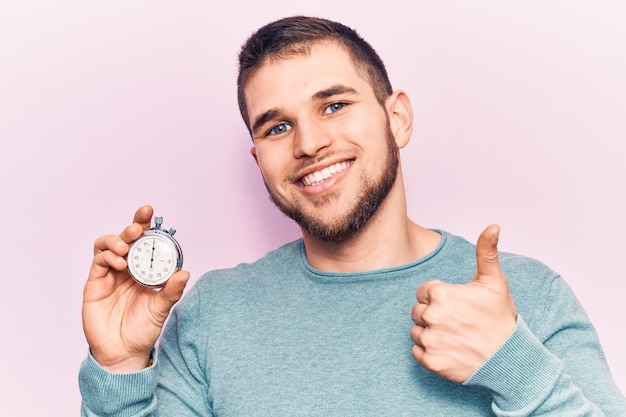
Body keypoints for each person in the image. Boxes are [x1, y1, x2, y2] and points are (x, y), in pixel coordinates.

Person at [79, 15, 625, 416]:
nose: (310, 142)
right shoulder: (213, 314)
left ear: (398, 118)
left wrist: (512, 365)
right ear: (259, 160)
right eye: (276, 127)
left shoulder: (530, 294)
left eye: (334, 105)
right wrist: (121, 368)